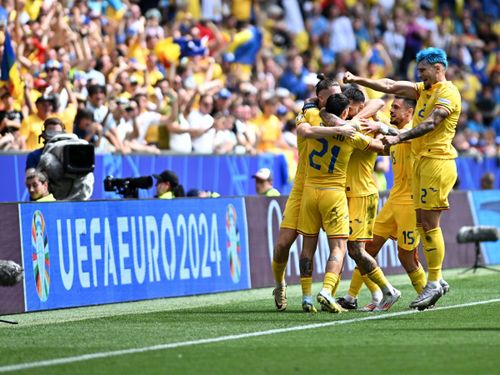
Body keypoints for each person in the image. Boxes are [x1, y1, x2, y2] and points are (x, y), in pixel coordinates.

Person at [344, 47, 460, 310]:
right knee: (423, 225)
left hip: (437, 160)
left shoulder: (448, 93)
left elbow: (431, 123)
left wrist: (395, 137)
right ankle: (430, 281)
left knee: (428, 227)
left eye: (423, 71)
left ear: (438, 68)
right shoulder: (424, 90)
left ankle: (434, 281)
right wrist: (358, 79)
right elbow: (389, 84)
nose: (419, 75)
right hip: (422, 165)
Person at [296, 93, 386, 313]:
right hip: (334, 193)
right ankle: (327, 291)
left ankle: (307, 297)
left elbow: (304, 127)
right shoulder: (351, 135)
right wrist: (385, 130)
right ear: (346, 111)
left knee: (308, 246)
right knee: (340, 247)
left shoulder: (315, 120)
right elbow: (381, 148)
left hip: (309, 191)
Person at [346, 97, 428, 311]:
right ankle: (351, 296)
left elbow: (404, 137)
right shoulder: (394, 132)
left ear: (410, 111)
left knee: (406, 256)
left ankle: (425, 297)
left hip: (411, 203)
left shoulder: (413, 130)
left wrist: (379, 126)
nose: (392, 111)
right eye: (392, 108)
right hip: (393, 200)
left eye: (397, 108)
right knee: (368, 247)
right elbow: (377, 102)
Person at [335, 86, 401, 312]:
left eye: (350, 107)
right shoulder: (348, 120)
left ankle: (387, 291)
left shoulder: (367, 121)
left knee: (357, 249)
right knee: (351, 249)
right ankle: (370, 294)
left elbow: (386, 144)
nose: (346, 111)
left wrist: (367, 130)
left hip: (363, 192)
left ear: (359, 106)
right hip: (346, 192)